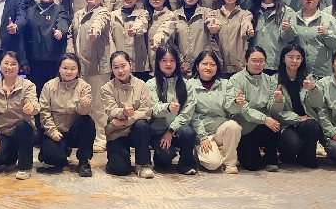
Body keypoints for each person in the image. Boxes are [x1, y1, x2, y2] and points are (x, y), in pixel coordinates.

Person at [66, 0, 115, 152]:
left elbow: (98, 23)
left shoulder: (104, 12)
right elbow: (71, 34)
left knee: (98, 105)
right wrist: (70, 56)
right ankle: (85, 138)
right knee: (83, 104)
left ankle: (101, 138)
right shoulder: (78, 14)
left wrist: (95, 32)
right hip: (80, 66)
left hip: (98, 66)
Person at [0, 51, 39, 180]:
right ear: (0, 65)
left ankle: (25, 167)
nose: (9, 67)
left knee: (24, 126)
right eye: (6, 63)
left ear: (19, 67)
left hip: (21, 133)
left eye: (13, 64)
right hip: (1, 132)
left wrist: (31, 108)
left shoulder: (28, 85)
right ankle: (12, 156)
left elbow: (35, 104)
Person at [38, 54, 96, 176]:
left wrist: (84, 105)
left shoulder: (84, 86)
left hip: (74, 131)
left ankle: (84, 161)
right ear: (59, 68)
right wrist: (52, 131)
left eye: (73, 68)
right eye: (65, 68)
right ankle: (56, 151)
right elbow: (44, 112)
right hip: (56, 131)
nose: (69, 72)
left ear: (78, 70)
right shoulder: (49, 86)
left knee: (87, 121)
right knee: (55, 160)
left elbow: (84, 113)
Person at [102, 51, 154, 178]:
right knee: (119, 169)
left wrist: (125, 119)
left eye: (123, 66)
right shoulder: (107, 88)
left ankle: (143, 164)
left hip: (135, 130)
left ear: (130, 65)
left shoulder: (142, 85)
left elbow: (146, 111)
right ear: (111, 69)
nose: (120, 70)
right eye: (116, 67)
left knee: (142, 125)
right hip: (117, 131)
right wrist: (123, 112)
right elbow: (110, 111)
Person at [146, 44, 197, 174]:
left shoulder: (187, 84)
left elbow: (187, 113)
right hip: (158, 131)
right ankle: (165, 154)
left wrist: (171, 131)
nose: (168, 64)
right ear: (158, 63)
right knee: (164, 161)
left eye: (172, 60)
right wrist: (167, 107)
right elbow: (153, 109)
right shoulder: (150, 84)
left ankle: (186, 165)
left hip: (178, 129)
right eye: (164, 60)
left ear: (177, 63)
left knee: (189, 132)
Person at [231, 46, 281, 171]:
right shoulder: (235, 80)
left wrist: (278, 101)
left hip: (263, 126)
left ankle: (271, 158)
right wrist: (264, 119)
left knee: (274, 125)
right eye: (254, 60)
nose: (257, 64)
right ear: (246, 61)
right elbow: (243, 108)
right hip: (245, 125)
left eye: (261, 61)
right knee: (252, 165)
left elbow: (272, 109)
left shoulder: (270, 80)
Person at [191, 50, 241, 174]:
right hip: (203, 132)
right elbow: (191, 115)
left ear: (217, 67)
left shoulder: (225, 84)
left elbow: (231, 110)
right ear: (197, 66)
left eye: (212, 64)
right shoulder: (189, 85)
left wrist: (236, 103)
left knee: (233, 126)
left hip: (220, 131)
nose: (208, 67)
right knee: (213, 165)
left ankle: (230, 163)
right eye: (204, 64)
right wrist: (202, 137)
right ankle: (201, 153)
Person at [151, 0, 216, 76]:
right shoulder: (174, 15)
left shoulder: (207, 12)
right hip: (182, 68)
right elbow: (168, 34)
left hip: (203, 66)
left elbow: (213, 22)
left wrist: (215, 26)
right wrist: (180, 60)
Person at [274, 44, 323, 169]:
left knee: (312, 125)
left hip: (306, 122)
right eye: (290, 57)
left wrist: (314, 90)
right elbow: (273, 111)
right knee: (293, 144)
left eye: (298, 58)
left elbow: (318, 104)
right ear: (283, 59)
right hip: (286, 123)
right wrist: (297, 118)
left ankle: (307, 156)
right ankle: (286, 154)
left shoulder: (309, 79)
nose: (294, 61)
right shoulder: (274, 80)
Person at [24, 0, 69, 99]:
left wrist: (60, 31)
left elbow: (63, 22)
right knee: (34, 93)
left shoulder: (60, 9)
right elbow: (24, 36)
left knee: (52, 94)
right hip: (33, 60)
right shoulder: (30, 12)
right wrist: (24, 61)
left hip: (53, 59)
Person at [289, 0, 336, 78]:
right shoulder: (292, 18)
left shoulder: (328, 18)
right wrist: (287, 30)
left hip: (321, 70)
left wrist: (326, 34)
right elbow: (286, 41)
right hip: (297, 70)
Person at [248, 0, 293, 72]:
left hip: (276, 61)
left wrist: (288, 30)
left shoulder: (286, 11)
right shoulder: (253, 10)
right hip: (256, 62)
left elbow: (289, 39)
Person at [214, 0, 254, 77]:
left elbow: (246, 22)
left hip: (239, 65)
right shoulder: (214, 14)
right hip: (219, 65)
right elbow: (211, 25)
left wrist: (248, 30)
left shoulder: (245, 14)